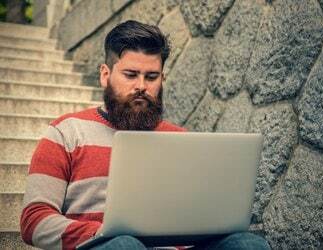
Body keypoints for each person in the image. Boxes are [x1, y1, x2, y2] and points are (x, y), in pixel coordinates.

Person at [20, 20, 270, 250]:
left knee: (249, 244)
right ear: (105, 75)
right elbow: (34, 219)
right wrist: (103, 234)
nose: (141, 85)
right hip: (103, 246)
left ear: (162, 79)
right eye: (130, 75)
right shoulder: (65, 132)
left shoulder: (181, 140)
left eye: (151, 77)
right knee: (125, 246)